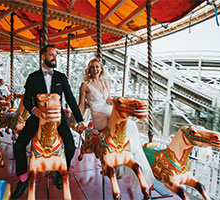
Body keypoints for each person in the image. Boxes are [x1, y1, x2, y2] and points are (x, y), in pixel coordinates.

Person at [11, 44, 85, 199]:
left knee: (71, 147)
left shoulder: (60, 77)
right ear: (43, 57)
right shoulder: (33, 77)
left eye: (56, 55)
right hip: (39, 117)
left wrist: (79, 120)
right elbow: (26, 99)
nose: (54, 58)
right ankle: (23, 178)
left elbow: (70, 99)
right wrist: (33, 110)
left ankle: (58, 172)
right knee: (18, 145)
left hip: (58, 118)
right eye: (51, 55)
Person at [78, 58, 155, 192]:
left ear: (101, 69)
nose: (95, 69)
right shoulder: (85, 85)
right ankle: (125, 155)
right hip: (98, 115)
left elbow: (108, 100)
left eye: (97, 67)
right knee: (119, 125)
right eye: (93, 67)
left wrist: (118, 103)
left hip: (109, 111)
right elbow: (81, 104)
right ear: (89, 70)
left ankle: (130, 151)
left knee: (129, 124)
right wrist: (80, 120)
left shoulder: (104, 82)